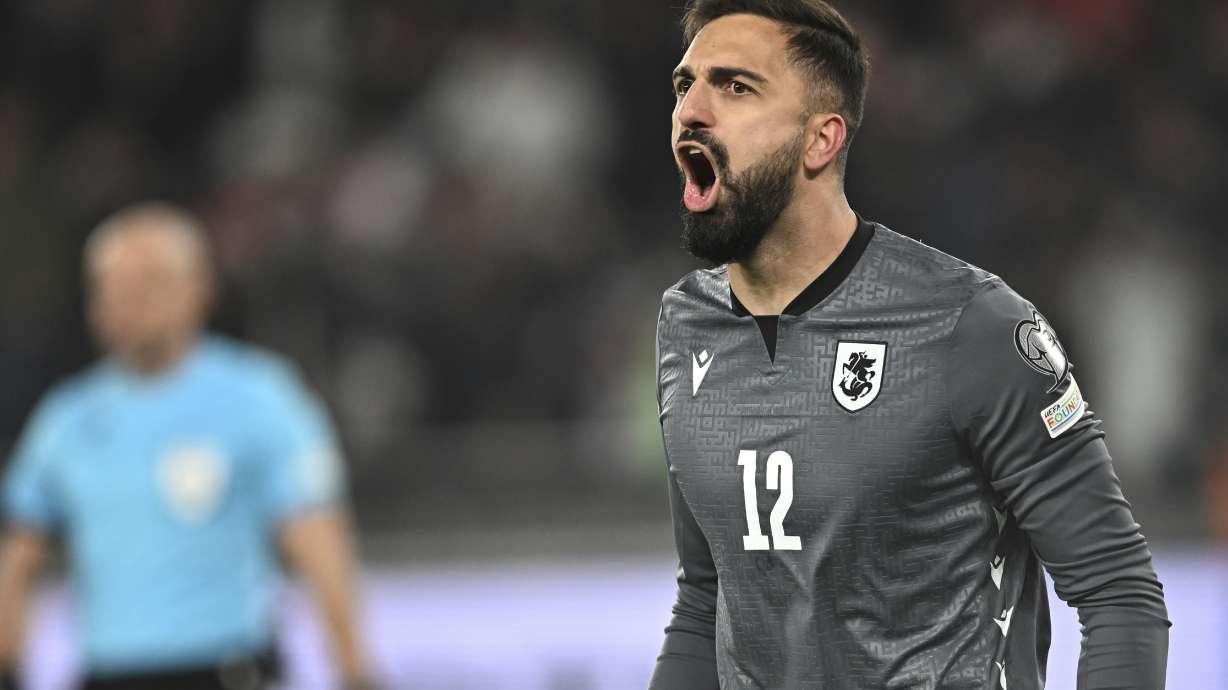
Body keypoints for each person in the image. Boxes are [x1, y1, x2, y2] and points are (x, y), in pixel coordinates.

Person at [648, 2, 1169, 689]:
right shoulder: (686, 327)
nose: (692, 110)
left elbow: (1118, 592)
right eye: (686, 85)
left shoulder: (969, 325)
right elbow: (707, 601)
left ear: (820, 141)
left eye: (736, 86)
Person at [0, 203, 373, 689]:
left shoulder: (259, 399)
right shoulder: (68, 420)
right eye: (110, 284)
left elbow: (317, 540)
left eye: (149, 281)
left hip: (226, 670)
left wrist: (355, 668)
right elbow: (19, 556)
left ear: (199, 289)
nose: (127, 299)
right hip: (109, 675)